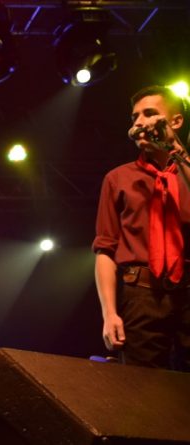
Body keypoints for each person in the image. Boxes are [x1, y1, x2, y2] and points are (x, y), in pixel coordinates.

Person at [93, 85, 190, 371]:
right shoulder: (118, 178)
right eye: (134, 116)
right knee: (142, 390)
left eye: (150, 113)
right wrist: (109, 313)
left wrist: (175, 150)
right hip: (142, 294)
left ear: (175, 122)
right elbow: (105, 249)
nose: (139, 122)